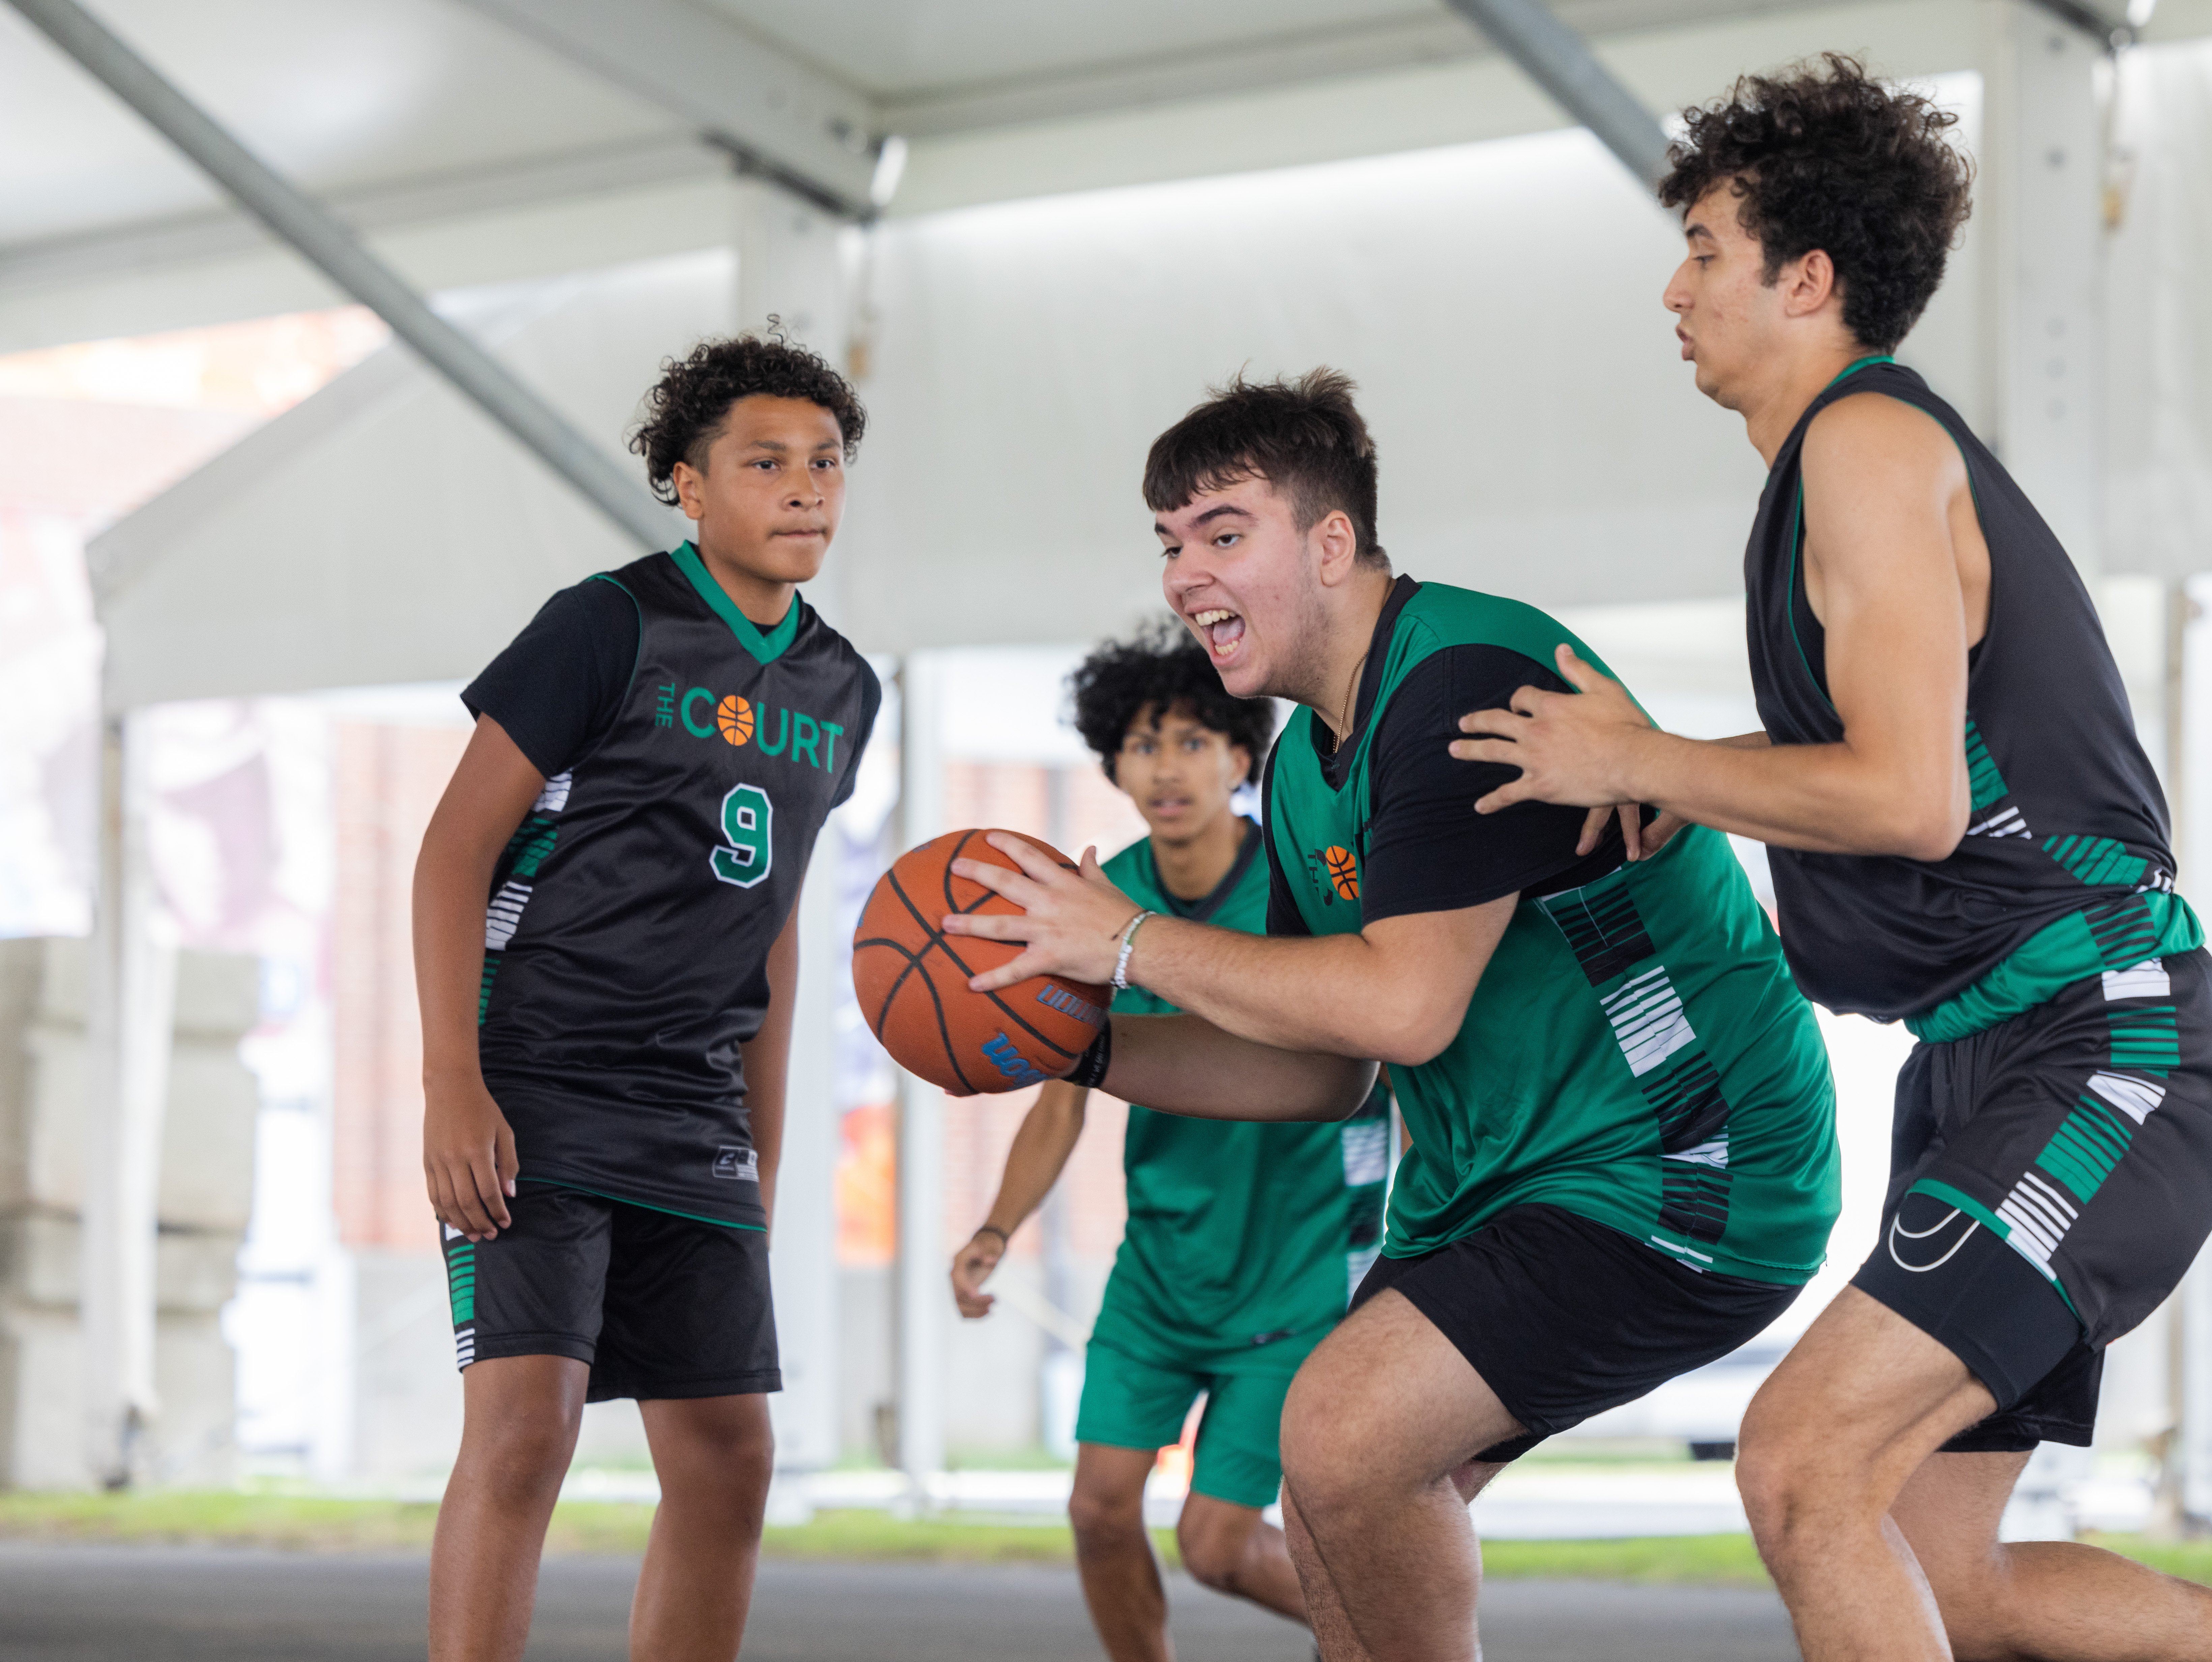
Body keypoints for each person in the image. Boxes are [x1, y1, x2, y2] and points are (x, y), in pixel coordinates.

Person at [1447, 55, 2212, 1662]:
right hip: (1990, 1061)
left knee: (1803, 1467)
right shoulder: (1835, 471)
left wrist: (1643, 759)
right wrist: (1687, 786)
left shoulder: (1864, 450)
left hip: (2105, 1048)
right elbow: (1888, 771)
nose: (1672, 289)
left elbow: (1908, 798)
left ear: (1805, 279)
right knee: (1941, 1576)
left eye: (1706, 252)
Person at [940, 369, 1840, 1661]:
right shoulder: (1306, 758)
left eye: (1223, 533)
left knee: (1343, 1430)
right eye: (1170, 543)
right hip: (1500, 1185)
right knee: (1331, 1511)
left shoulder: (1465, 680)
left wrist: (1125, 940)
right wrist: (1082, 1042)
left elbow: (1406, 1008)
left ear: (1330, 543)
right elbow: (1327, 1068)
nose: (1186, 576)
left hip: (1684, 1161)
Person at [414, 332, 877, 1662]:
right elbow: (451, 855)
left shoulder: (845, 687)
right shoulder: (604, 625)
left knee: (733, 1456)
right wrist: (454, 1080)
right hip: (540, 1079)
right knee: (525, 1428)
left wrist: (770, 1147)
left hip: (697, 1106)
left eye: (828, 464)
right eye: (766, 462)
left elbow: (775, 924)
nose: (805, 490)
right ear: (686, 485)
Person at [950, 624, 1388, 1661]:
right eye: (1146, 744)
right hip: (1162, 1267)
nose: (1168, 765)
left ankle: (1398, 1642)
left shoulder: (1297, 887)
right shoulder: (1100, 906)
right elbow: (1065, 1087)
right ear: (1114, 762)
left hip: (1295, 1270)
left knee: (1220, 1543)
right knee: (1099, 1510)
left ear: (1243, 755)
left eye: (1196, 740)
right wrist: (996, 1225)